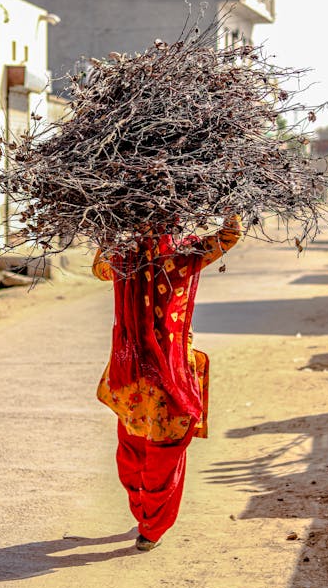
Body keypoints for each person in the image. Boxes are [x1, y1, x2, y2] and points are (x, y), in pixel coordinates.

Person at [93, 214, 241, 551]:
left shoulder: (121, 256)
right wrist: (233, 203)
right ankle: (151, 527)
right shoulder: (184, 254)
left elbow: (98, 268)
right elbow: (229, 236)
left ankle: (143, 514)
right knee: (166, 448)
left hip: (130, 372)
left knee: (132, 445)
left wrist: (107, 230)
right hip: (170, 372)